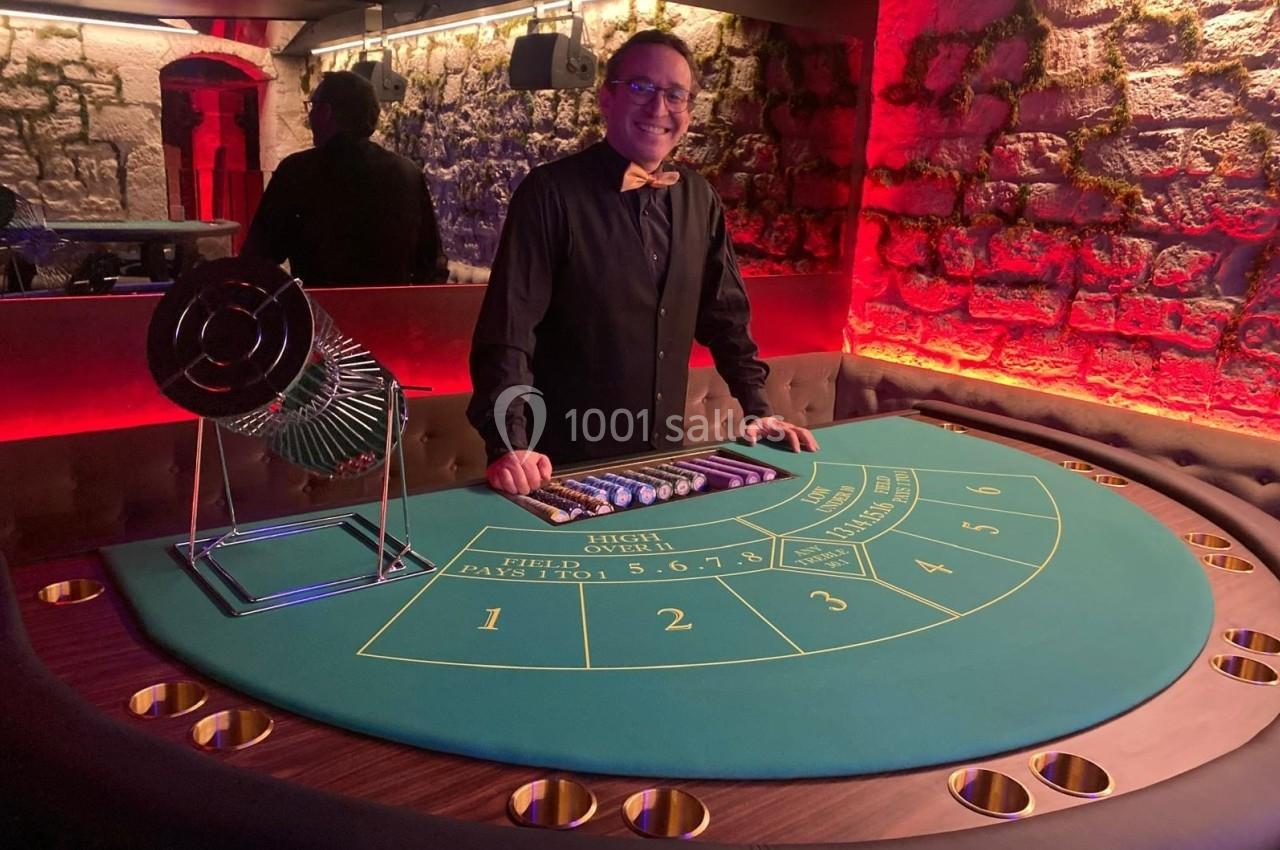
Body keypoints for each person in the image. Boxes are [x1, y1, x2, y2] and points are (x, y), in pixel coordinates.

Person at [468, 30, 818, 496]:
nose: (659, 109)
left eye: (675, 94)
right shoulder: (549, 194)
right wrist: (509, 444)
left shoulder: (700, 198)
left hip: (663, 462)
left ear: (689, 112)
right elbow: (508, 333)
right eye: (641, 88)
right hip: (561, 466)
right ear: (606, 98)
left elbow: (726, 317)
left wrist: (759, 407)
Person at [241, 70, 447, 286]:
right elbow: (432, 263)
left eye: (312, 107)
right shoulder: (409, 173)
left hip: (324, 314)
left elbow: (258, 257)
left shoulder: (297, 172)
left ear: (327, 112)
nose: (309, 116)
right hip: (392, 314)